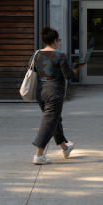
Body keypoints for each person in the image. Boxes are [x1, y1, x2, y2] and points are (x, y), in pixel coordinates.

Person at [30, 26, 78, 165]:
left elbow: (33, 69)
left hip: (41, 92)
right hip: (54, 92)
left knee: (54, 119)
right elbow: (68, 75)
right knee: (49, 122)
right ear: (55, 41)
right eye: (59, 40)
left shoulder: (37, 54)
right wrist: (76, 69)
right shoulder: (60, 55)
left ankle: (65, 147)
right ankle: (38, 155)